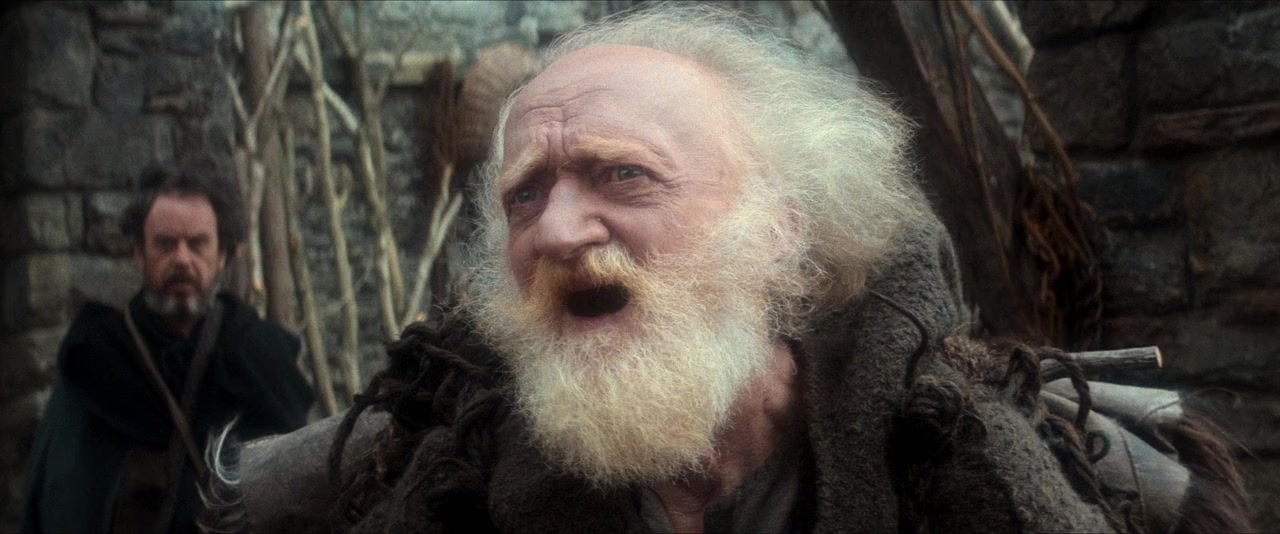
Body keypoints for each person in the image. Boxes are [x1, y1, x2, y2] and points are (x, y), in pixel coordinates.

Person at [204, 5, 1251, 533]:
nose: (557, 229)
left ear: (778, 231)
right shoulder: (422, 479)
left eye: (622, 174)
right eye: (524, 194)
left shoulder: (974, 463)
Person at [21, 159, 314, 533]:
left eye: (197, 243)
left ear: (222, 254)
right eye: (165, 244)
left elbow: (301, 506)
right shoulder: (97, 363)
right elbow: (58, 502)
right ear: (139, 253)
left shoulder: (261, 360)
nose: (182, 259)